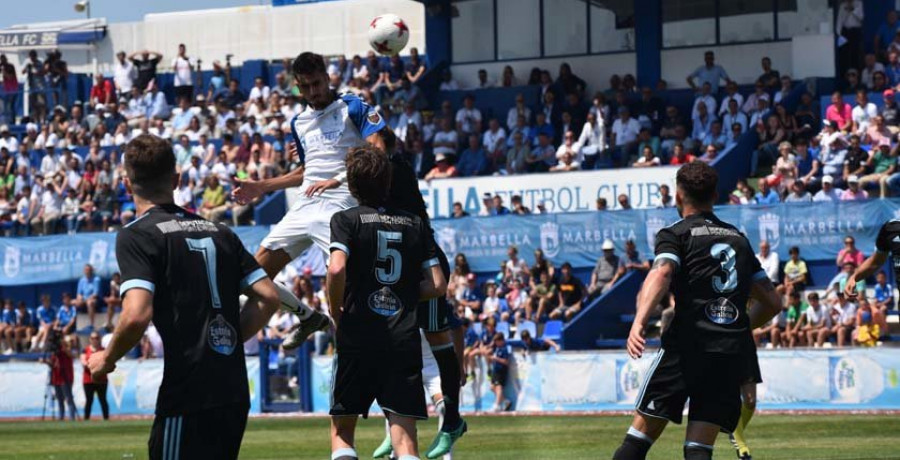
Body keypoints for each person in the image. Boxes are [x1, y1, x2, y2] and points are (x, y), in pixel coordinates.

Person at [87, 135, 283, 460]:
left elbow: (136, 315)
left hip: (189, 390)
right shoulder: (221, 232)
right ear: (177, 180)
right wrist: (225, 340)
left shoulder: (136, 235)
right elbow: (268, 298)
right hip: (232, 392)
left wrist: (107, 358)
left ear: (126, 184)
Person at [613, 162, 781, 460]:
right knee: (699, 450)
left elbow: (662, 272)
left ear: (678, 196)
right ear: (715, 195)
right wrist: (738, 327)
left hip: (686, 348)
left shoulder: (676, 233)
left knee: (636, 442)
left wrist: (639, 322)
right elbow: (772, 303)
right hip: (726, 353)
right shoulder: (738, 239)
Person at [232, 52, 393, 346]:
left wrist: (340, 178)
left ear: (327, 77)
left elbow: (378, 150)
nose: (312, 91)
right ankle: (307, 316)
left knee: (353, 288)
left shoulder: (352, 106)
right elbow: (309, 171)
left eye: (317, 83)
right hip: (304, 206)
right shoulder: (299, 122)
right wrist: (261, 186)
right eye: (304, 87)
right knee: (250, 277)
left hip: (341, 206)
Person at [325, 146, 448, 460]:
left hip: (357, 335)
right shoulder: (414, 224)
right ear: (387, 182)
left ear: (351, 185)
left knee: (342, 434)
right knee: (405, 442)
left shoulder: (344, 219)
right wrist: (401, 294)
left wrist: (335, 308)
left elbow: (337, 267)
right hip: (401, 339)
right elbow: (437, 284)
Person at [46, 336, 78, 421]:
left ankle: (72, 417)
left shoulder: (67, 351)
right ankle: (61, 417)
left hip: (66, 377)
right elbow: (53, 364)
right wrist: (46, 361)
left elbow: (72, 355)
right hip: (57, 378)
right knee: (60, 399)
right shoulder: (56, 353)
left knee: (68, 398)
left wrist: (63, 346)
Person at [81, 332, 110, 420]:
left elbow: (106, 362)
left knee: (103, 399)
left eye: (96, 338)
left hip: (101, 378)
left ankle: (106, 418)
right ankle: (86, 418)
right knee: (89, 400)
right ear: (90, 339)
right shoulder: (85, 350)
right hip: (88, 379)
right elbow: (83, 362)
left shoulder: (103, 350)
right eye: (92, 338)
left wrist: (94, 365)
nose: (94, 340)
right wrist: (96, 365)